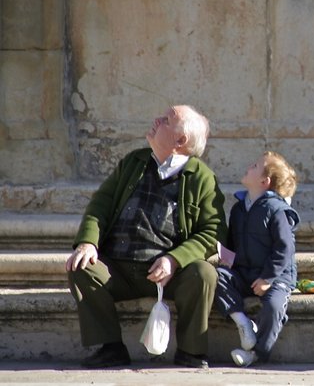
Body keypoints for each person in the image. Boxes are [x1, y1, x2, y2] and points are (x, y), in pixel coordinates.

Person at [65, 105, 228, 369]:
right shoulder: (134, 162)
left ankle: (191, 351)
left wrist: (174, 260)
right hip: (119, 268)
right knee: (81, 267)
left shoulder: (202, 178)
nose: (156, 120)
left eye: (166, 120)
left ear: (181, 140)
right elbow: (100, 205)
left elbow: (213, 232)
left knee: (204, 273)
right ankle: (111, 348)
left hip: (169, 276)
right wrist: (88, 242)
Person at [214, 151, 299, 367]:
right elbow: (233, 241)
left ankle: (257, 353)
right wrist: (227, 258)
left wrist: (268, 278)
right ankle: (243, 324)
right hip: (244, 273)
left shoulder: (276, 210)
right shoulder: (239, 208)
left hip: (275, 277)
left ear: (264, 181)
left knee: (273, 307)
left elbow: (284, 247)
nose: (248, 167)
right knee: (215, 277)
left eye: (254, 166)